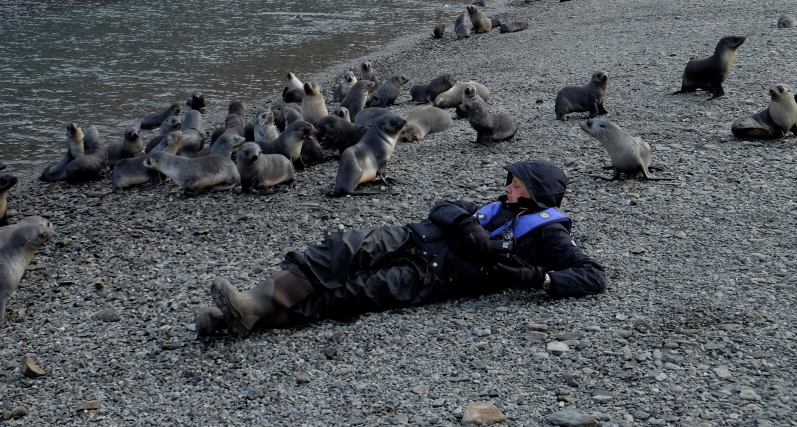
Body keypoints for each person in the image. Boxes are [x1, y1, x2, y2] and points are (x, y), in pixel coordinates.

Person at [196, 160, 606, 338]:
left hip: (433, 277)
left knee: (352, 293)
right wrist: (465, 223)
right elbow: (444, 206)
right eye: (510, 182)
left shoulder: (549, 234)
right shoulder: (495, 206)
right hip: (414, 237)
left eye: (516, 184)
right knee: (344, 248)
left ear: (536, 193)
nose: (508, 188)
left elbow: (593, 275)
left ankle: (244, 319)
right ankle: (254, 301)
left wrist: (538, 278)